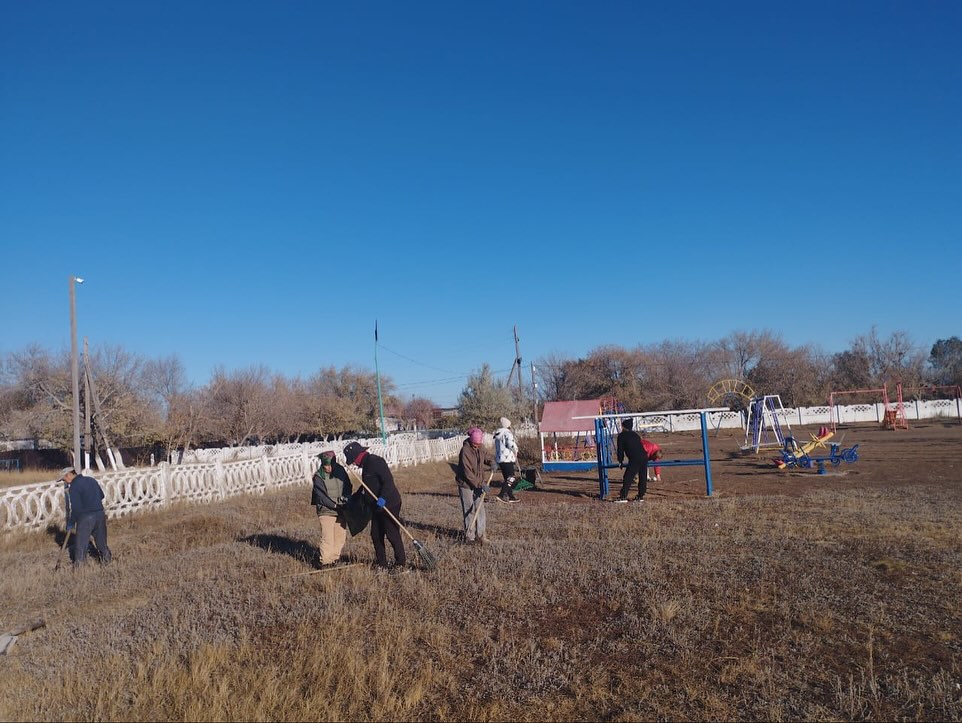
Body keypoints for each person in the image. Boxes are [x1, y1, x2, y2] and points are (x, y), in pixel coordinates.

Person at [343, 441, 406, 570]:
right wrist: (358, 493)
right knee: (376, 535)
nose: (353, 464)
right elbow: (368, 483)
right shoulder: (366, 465)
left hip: (390, 503)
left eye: (353, 460)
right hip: (375, 506)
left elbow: (388, 482)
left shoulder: (376, 462)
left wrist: (382, 499)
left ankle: (400, 563)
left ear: (358, 455)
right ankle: (382, 564)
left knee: (392, 533)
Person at [60, 467, 112, 565]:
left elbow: (76, 508)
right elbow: (101, 496)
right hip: (100, 514)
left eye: (64, 479)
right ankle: (107, 562)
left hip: (86, 518)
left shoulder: (74, 487)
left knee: (81, 545)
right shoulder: (91, 480)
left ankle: (80, 569)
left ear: (69, 475)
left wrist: (71, 523)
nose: (65, 482)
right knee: (102, 543)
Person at [311, 451, 353, 566]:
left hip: (341, 508)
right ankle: (325, 562)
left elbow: (348, 486)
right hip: (326, 510)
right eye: (325, 465)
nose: (328, 468)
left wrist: (346, 499)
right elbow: (321, 497)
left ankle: (334, 559)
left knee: (340, 536)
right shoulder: (318, 476)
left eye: (330, 465)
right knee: (327, 538)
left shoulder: (341, 470)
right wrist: (335, 505)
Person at [456, 427, 496, 543]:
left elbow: (486, 456)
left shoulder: (481, 447)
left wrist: (492, 462)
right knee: (469, 509)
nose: (477, 447)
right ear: (471, 441)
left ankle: (481, 535)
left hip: (479, 482)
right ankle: (470, 537)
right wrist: (480, 484)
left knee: (480, 508)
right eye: (475, 445)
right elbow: (467, 473)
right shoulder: (465, 451)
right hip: (465, 484)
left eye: (479, 445)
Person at [615, 418, 648, 503]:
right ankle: (641, 496)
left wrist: (620, 461)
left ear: (624, 427)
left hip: (635, 458)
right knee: (642, 476)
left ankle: (623, 497)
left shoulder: (621, 436)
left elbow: (620, 450)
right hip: (644, 456)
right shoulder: (635, 435)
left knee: (628, 477)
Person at [493, 416, 521, 503]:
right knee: (511, 477)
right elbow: (510, 444)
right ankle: (502, 494)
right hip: (507, 458)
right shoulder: (507, 433)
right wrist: (516, 449)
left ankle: (510, 496)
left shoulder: (498, 434)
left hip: (500, 459)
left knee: (507, 478)